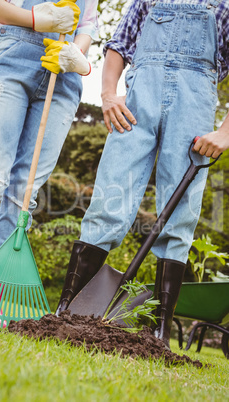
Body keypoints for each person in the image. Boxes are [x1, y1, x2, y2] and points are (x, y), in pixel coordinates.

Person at [56, 0, 229, 348]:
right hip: (136, 102)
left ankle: (159, 330)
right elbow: (119, 45)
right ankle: (67, 309)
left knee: (179, 217)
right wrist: (107, 95)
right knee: (109, 198)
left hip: (193, 103)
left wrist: (225, 132)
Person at [0, 1, 98, 304]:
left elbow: (88, 24)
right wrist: (39, 18)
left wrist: (75, 53)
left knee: (23, 194)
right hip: (12, 59)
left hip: (63, 76)